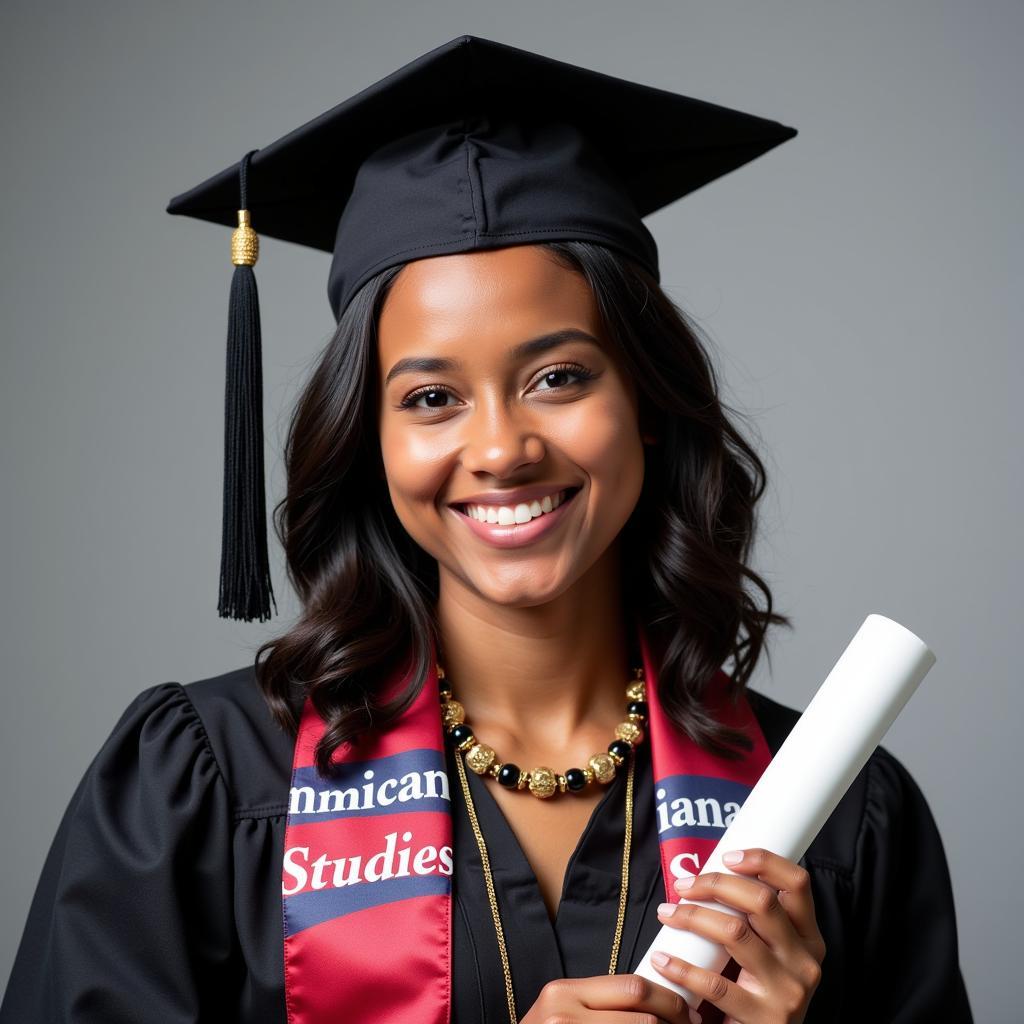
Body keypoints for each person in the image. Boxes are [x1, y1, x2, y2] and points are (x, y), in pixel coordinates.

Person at [0, 34, 972, 1024]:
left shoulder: (836, 814)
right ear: (365, 438)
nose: (501, 447)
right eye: (431, 397)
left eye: (559, 377)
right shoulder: (202, 787)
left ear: (647, 401)